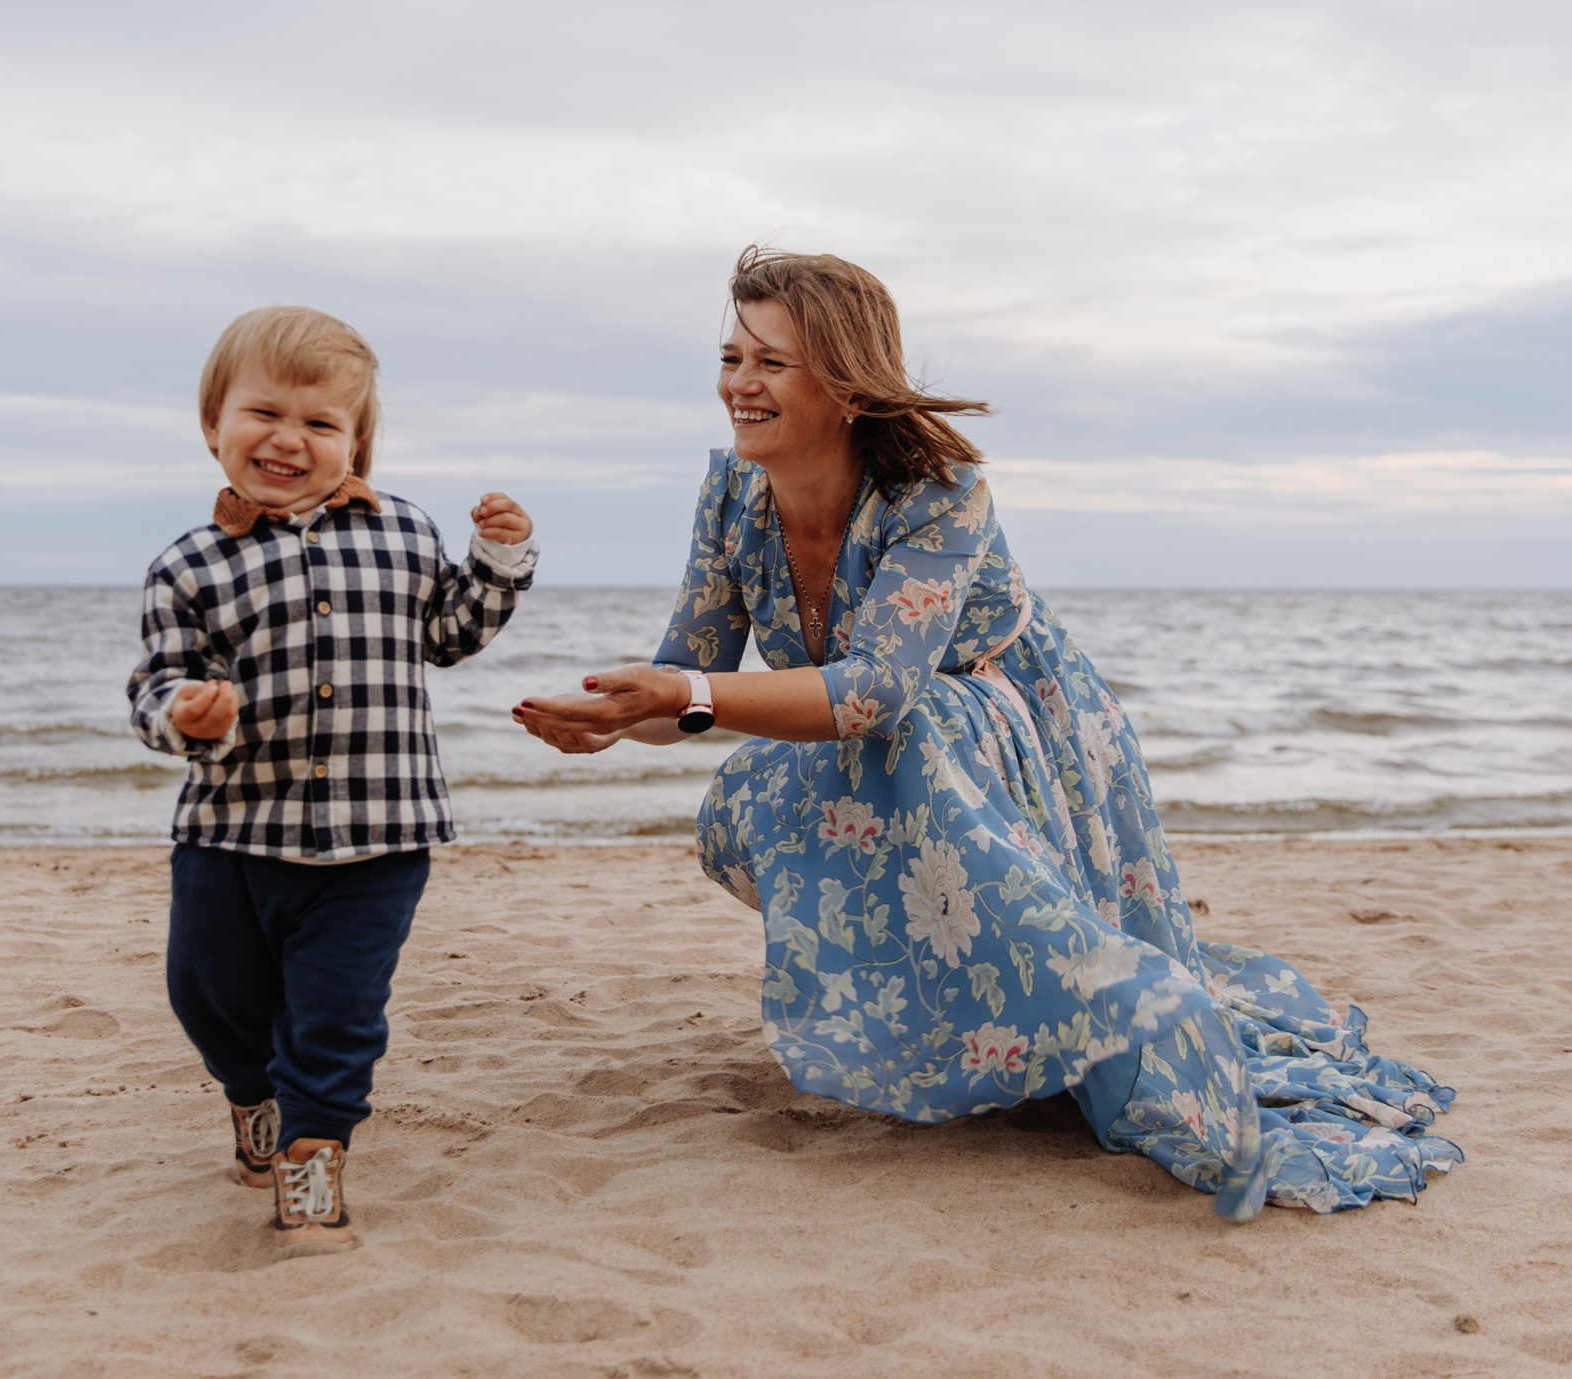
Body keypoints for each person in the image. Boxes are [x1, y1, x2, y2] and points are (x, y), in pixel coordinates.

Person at [512, 248, 1459, 1218]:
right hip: (905, 724)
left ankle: (1113, 1009)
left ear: (846, 386)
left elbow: (878, 688)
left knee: (905, 734)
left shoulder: (939, 489)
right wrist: (618, 720)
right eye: (730, 358)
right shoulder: (731, 498)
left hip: (1013, 713)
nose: (739, 385)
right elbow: (691, 674)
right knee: (760, 785)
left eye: (771, 363)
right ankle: (969, 1023)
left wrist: (683, 693)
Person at [129, 305, 536, 1256]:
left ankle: (313, 1160)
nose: (289, 438)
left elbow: (450, 633)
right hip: (232, 832)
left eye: (320, 422)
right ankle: (250, 1094)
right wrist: (186, 711)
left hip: (378, 834)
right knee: (208, 994)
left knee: (337, 1012)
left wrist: (499, 558)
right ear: (214, 424)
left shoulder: (404, 532)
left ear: (356, 443)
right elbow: (155, 684)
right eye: (264, 413)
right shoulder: (187, 565)